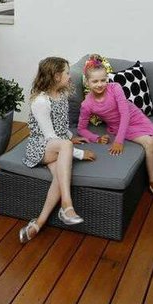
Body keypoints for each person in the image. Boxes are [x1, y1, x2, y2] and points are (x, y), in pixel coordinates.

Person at [77, 55, 153, 202]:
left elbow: (125, 113)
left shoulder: (115, 88)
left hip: (135, 117)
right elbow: (81, 129)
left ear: (107, 79)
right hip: (118, 126)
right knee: (149, 143)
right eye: (95, 81)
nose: (100, 84)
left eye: (103, 80)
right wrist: (96, 138)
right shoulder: (87, 104)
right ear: (87, 82)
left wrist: (118, 141)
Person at [19, 57, 96, 244]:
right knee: (66, 147)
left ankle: (38, 223)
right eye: (67, 73)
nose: (70, 76)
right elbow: (49, 137)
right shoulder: (41, 101)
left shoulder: (61, 94)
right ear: (56, 75)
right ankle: (67, 206)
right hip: (40, 147)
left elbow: (60, 125)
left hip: (56, 145)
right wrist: (79, 152)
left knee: (60, 178)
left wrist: (70, 136)